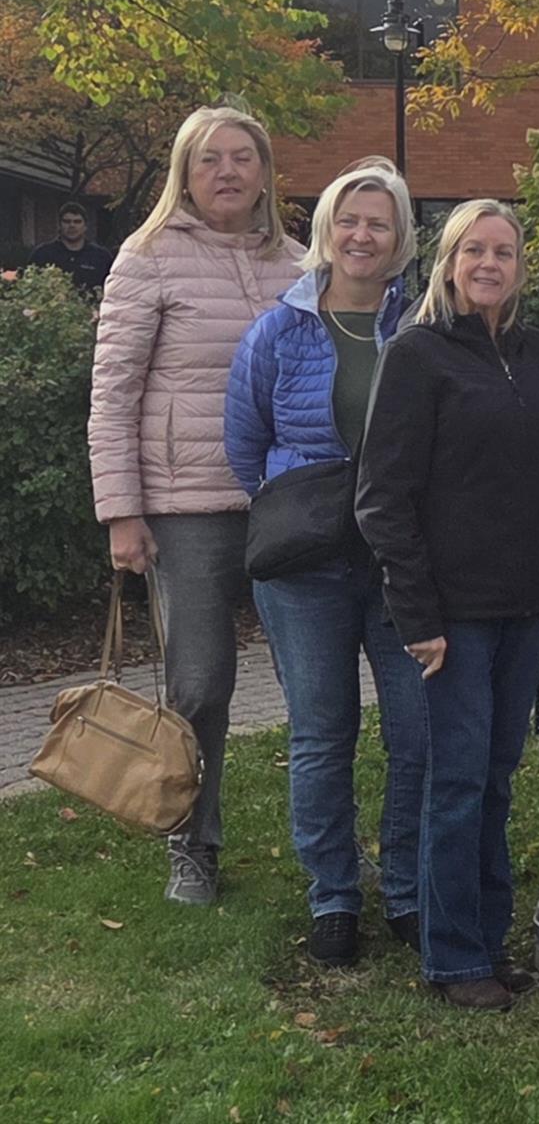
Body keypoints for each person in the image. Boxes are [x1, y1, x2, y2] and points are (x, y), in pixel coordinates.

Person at [355, 200, 539, 1012]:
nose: (489, 263)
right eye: (473, 250)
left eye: (505, 251)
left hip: (526, 604)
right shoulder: (416, 357)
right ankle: (451, 958)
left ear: (521, 266)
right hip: (451, 616)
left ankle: (487, 938)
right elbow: (382, 499)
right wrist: (417, 617)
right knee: (455, 782)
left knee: (497, 776)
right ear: (448, 263)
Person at [88, 105, 305, 905]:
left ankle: (329, 849)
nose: (227, 172)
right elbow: (113, 395)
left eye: (243, 157)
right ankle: (194, 843)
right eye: (210, 158)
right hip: (187, 508)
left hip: (289, 504)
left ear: (264, 171)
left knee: (310, 680)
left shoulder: (298, 263)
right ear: (185, 171)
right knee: (202, 685)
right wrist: (122, 511)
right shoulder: (147, 259)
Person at [224, 164, 427, 966]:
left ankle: (408, 890)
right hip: (307, 566)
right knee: (321, 735)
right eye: (349, 221)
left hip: (400, 562)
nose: (362, 236)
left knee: (416, 734)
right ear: (327, 231)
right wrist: (300, 502)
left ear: (400, 236)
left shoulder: (419, 325)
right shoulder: (279, 329)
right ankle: (334, 898)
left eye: (378, 223)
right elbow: (246, 446)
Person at [30, 201, 115, 297]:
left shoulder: (101, 257)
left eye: (77, 222)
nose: (72, 226)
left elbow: (113, 289)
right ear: (59, 225)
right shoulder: (42, 254)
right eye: (67, 221)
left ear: (85, 226)